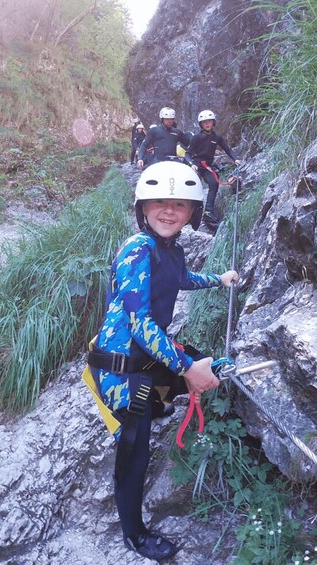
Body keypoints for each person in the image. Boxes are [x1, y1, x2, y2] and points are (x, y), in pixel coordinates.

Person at [85, 161, 238, 561]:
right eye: (159, 203)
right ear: (143, 208)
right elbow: (140, 324)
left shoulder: (171, 249)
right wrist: (186, 368)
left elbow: (183, 279)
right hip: (120, 366)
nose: (169, 211)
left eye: (179, 204)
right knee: (134, 450)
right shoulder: (137, 250)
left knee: (199, 364)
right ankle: (134, 535)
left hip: (145, 355)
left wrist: (218, 279)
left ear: (192, 213)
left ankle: (159, 402)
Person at [185, 110, 241, 230]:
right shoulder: (196, 138)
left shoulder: (217, 138)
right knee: (192, 185)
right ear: (201, 124)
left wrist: (235, 159)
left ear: (213, 122)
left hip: (207, 166)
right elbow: (187, 153)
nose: (207, 124)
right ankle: (189, 212)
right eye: (204, 122)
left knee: (214, 183)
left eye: (209, 121)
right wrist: (191, 164)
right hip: (196, 165)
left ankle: (208, 211)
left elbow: (228, 149)